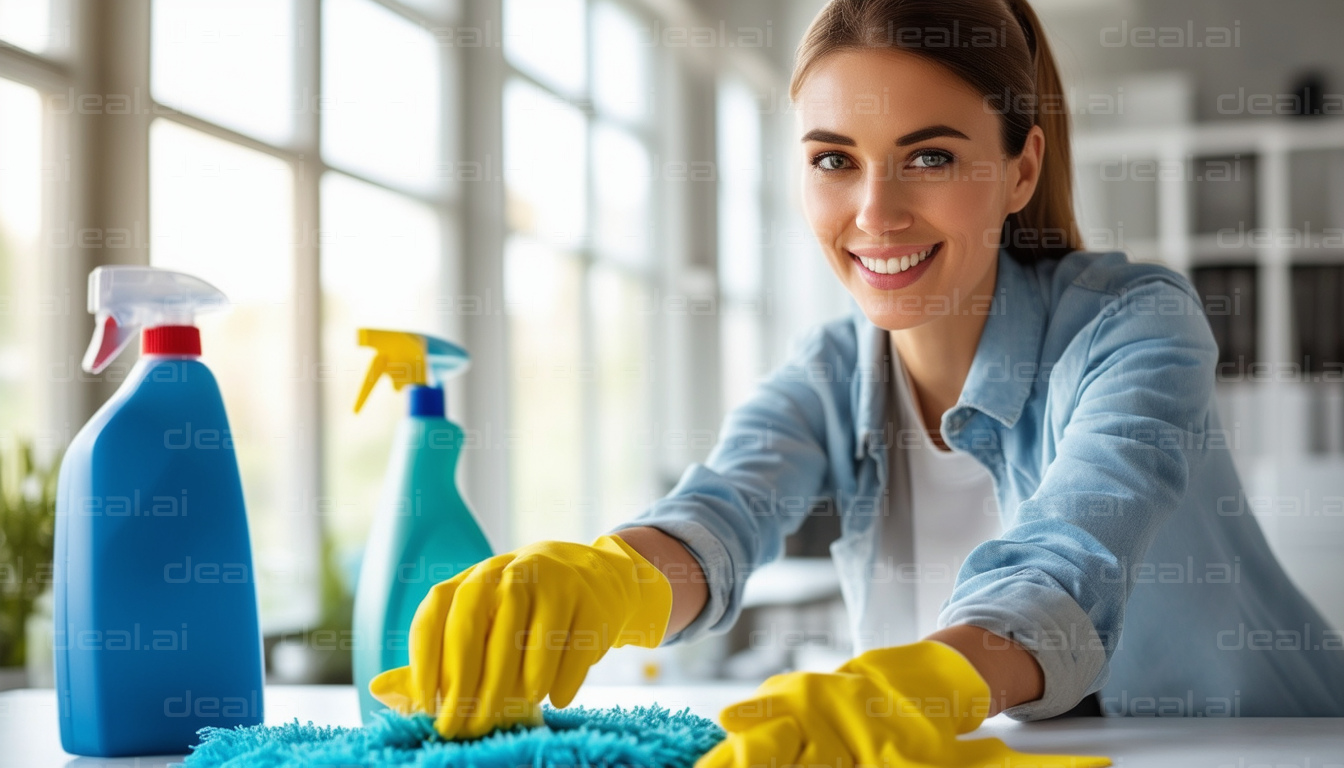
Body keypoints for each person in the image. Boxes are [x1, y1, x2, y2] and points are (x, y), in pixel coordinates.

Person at [370, 0, 1344, 764]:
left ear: (1018, 168)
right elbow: (721, 513)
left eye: (929, 155)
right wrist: (606, 579)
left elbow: (1072, 555)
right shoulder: (831, 372)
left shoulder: (1136, 324)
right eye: (834, 159)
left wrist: (903, 691)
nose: (874, 211)